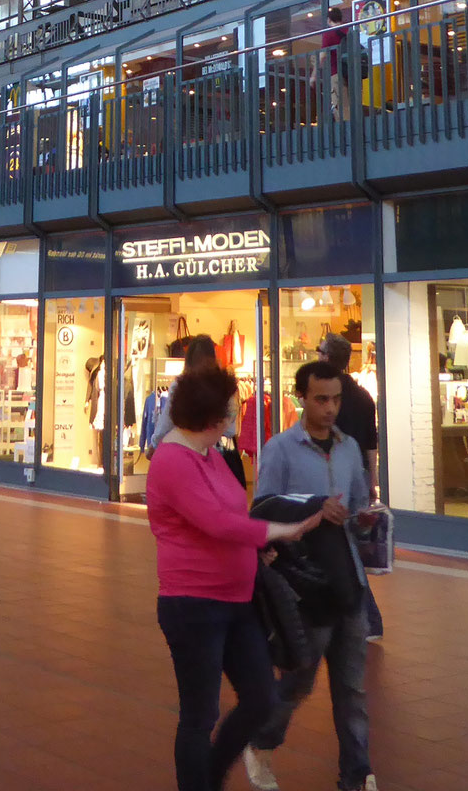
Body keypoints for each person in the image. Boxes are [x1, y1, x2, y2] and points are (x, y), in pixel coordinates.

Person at [149, 364, 322, 791]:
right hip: (193, 603)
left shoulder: (212, 454)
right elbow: (215, 523)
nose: (235, 412)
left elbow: (233, 514)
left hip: (237, 598)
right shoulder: (172, 460)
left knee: (261, 698)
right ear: (212, 416)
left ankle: (207, 778)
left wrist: (257, 542)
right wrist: (276, 531)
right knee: (199, 714)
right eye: (229, 407)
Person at [244, 359, 378, 791]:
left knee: (352, 691)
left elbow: (358, 504)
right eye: (321, 399)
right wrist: (313, 510)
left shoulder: (349, 447)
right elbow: (265, 512)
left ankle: (356, 775)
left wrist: (367, 521)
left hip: (349, 581)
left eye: (336, 399)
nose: (330, 408)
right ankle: (261, 741)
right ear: (301, 397)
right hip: (306, 584)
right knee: (299, 680)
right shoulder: (281, 449)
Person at [320, 335, 383, 640]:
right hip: (356, 475)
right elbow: (371, 444)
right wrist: (372, 482)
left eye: (320, 352)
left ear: (327, 357)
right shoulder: (363, 398)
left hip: (335, 476)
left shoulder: (327, 398)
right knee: (346, 543)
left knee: (342, 546)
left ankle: (366, 618)